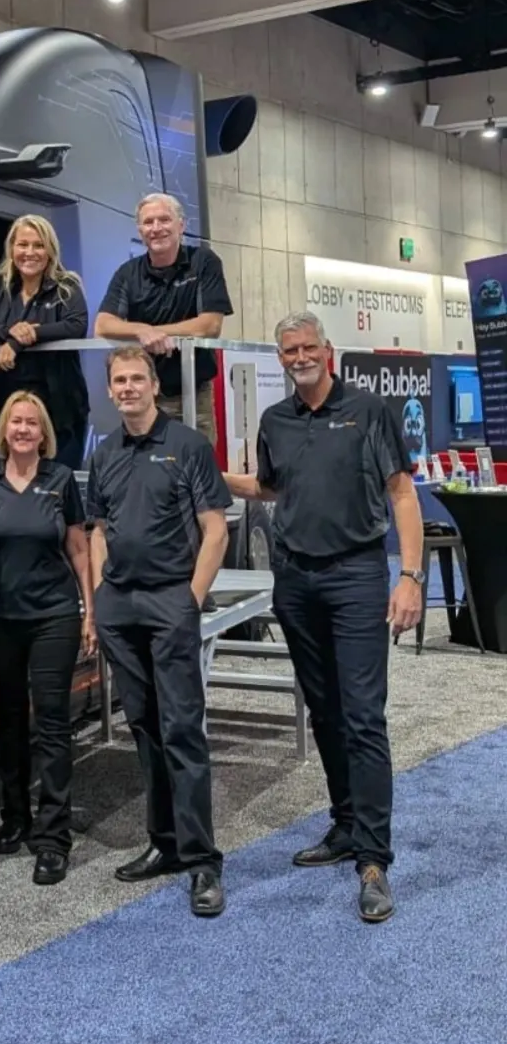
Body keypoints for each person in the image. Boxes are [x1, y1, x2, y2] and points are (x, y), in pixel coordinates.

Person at [224, 311, 424, 924]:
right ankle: (344, 825)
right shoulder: (274, 421)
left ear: (328, 351)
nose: (299, 356)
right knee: (327, 713)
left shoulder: (368, 410)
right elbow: (274, 489)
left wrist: (410, 577)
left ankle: (373, 859)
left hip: (358, 577)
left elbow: (402, 494)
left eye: (309, 346)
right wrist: (209, 476)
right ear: (281, 358)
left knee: (364, 717)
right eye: (289, 350)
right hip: (297, 583)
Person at [87, 344, 231, 917]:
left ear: (153, 384)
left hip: (172, 601)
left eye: (136, 379)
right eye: (118, 380)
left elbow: (214, 530)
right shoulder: (105, 453)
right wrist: (99, 596)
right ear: (111, 389)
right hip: (120, 608)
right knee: (144, 729)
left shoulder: (188, 445)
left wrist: (190, 603)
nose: (127, 388)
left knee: (183, 733)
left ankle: (202, 861)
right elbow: (98, 529)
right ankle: (164, 843)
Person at [0, 391, 96, 885]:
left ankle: (52, 837)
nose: (23, 429)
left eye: (32, 423)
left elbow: (78, 546)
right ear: (4, 431)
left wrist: (89, 609)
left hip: (53, 615)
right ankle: (14, 819)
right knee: (8, 721)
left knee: (51, 723)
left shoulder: (60, 479)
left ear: (44, 434)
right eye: (15, 422)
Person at [93, 193, 232, 442]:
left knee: (196, 467)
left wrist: (158, 332)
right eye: (148, 222)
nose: (156, 228)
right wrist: (141, 330)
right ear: (140, 229)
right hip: (144, 394)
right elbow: (103, 325)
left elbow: (210, 325)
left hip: (192, 391)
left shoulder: (203, 262)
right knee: (145, 468)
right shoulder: (127, 273)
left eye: (164, 220)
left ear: (181, 225)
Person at [0, 214, 91, 469]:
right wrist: (10, 333)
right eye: (23, 244)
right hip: (9, 407)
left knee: (60, 488)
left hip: (61, 409)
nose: (30, 252)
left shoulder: (67, 285)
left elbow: (76, 325)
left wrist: (22, 341)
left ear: (50, 250)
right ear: (11, 248)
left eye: (38, 245)